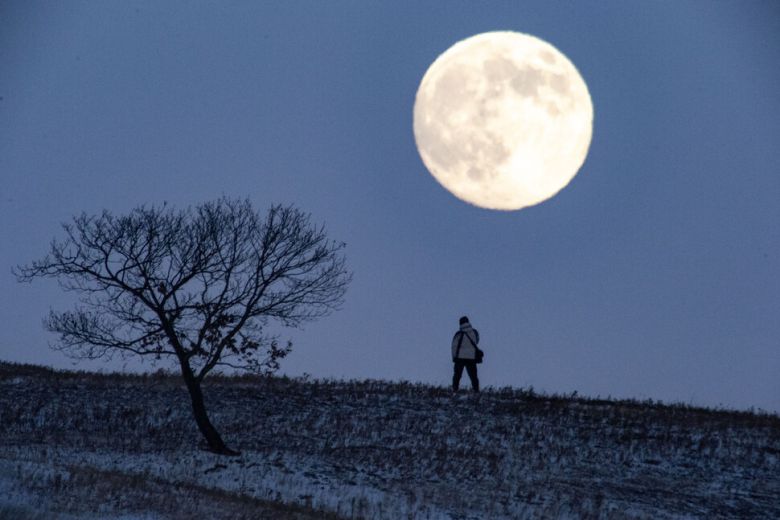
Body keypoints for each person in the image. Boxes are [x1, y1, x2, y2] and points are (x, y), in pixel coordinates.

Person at [451, 316, 480, 393]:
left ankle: (455, 389)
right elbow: (476, 341)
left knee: (457, 375)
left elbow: (454, 346)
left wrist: (454, 357)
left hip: (460, 358)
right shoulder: (474, 332)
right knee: (473, 376)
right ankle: (476, 390)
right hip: (471, 358)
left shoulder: (459, 333)